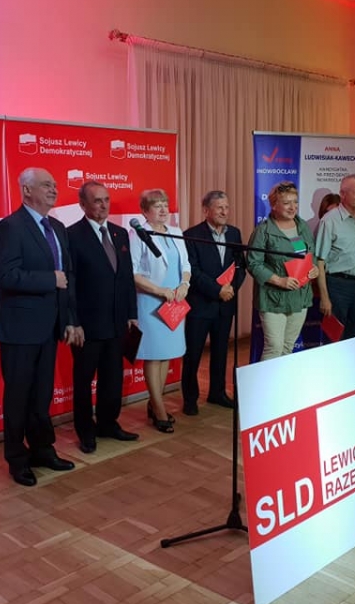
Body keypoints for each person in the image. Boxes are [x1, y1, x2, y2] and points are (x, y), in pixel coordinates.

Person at [0, 167, 80, 487]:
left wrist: (70, 319)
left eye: (54, 185)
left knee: (42, 396)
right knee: (18, 397)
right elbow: (6, 276)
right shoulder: (10, 227)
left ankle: (43, 450)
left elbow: (68, 277)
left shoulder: (57, 227)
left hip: (50, 327)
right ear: (27, 190)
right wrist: (48, 279)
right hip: (19, 328)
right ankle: (17, 459)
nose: (54, 190)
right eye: (46, 185)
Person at [67, 182, 140, 453]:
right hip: (87, 326)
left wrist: (131, 314)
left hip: (117, 322)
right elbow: (70, 284)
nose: (103, 205)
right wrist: (73, 321)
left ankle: (108, 423)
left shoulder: (120, 234)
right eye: (97, 200)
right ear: (83, 204)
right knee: (84, 380)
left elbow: (126, 279)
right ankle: (85, 431)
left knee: (113, 377)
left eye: (106, 200)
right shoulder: (71, 235)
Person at [130, 189, 191, 432]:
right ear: (145, 211)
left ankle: (155, 403)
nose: (164, 209)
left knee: (167, 354)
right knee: (154, 356)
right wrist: (159, 290)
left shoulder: (177, 232)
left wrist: (184, 284)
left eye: (165, 204)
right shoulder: (138, 234)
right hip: (151, 302)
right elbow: (133, 272)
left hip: (174, 302)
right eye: (157, 206)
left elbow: (186, 265)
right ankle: (159, 410)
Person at [181, 191, 246, 416]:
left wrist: (231, 289)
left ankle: (217, 393)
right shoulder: (192, 235)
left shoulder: (234, 233)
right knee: (193, 354)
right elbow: (193, 271)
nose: (224, 212)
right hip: (200, 304)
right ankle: (190, 399)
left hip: (225, 304)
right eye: (219, 208)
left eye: (226, 207)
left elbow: (240, 266)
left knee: (221, 352)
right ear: (206, 210)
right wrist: (217, 290)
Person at [247, 181, 319, 361]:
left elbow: (310, 255)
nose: (293, 207)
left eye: (295, 202)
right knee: (274, 347)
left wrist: (314, 268)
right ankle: (265, 381)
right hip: (273, 298)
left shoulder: (302, 227)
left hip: (299, 297)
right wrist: (279, 280)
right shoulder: (263, 231)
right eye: (287, 203)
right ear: (274, 205)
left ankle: (281, 380)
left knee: (287, 347)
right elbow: (253, 263)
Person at [314, 174, 355, 340]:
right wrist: (324, 297)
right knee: (334, 337)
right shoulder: (329, 221)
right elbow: (319, 261)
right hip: (339, 286)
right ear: (343, 194)